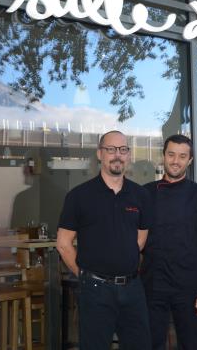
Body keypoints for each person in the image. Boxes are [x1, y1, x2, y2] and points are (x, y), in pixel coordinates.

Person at [56, 130, 152, 350]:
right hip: (95, 290)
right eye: (111, 149)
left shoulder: (140, 195)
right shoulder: (79, 196)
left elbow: (141, 238)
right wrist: (84, 276)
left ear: (128, 155)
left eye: (123, 150)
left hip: (133, 289)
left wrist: (121, 255)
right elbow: (63, 243)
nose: (117, 155)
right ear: (100, 154)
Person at [141, 134, 197, 350]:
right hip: (152, 285)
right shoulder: (145, 193)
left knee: (191, 344)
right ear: (164, 156)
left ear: (190, 161)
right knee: (150, 344)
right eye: (171, 154)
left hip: (189, 288)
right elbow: (135, 242)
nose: (176, 161)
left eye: (182, 156)